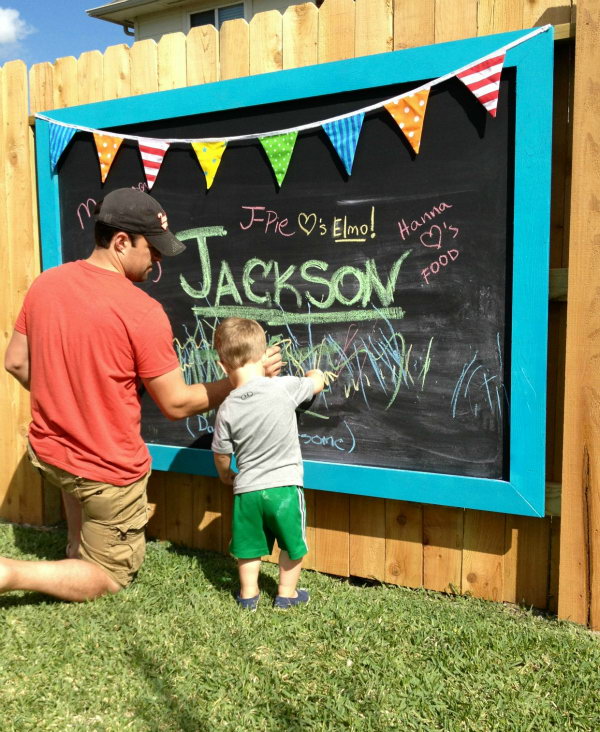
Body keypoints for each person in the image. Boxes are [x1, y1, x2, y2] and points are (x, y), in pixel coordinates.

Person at [1, 188, 281, 603]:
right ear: (120, 242)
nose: (159, 261)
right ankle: (10, 572)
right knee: (109, 575)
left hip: (51, 451)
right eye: (153, 250)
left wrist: (66, 395)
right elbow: (176, 404)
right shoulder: (141, 311)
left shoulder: (46, 284)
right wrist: (239, 381)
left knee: (79, 505)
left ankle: (75, 552)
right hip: (106, 463)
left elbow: (16, 363)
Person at [211, 317, 326, 610]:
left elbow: (222, 452)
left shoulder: (226, 407)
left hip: (247, 489)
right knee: (291, 543)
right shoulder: (283, 388)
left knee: (248, 547)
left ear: (222, 366)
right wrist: (317, 374)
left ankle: (248, 594)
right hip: (284, 488)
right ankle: (286, 594)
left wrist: (226, 474)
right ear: (264, 357)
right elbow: (315, 384)